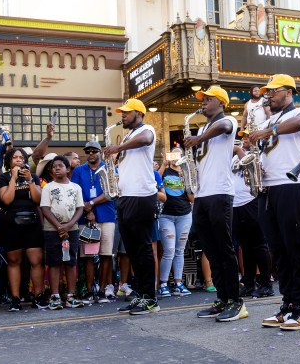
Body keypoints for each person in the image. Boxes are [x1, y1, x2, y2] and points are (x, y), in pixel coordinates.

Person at [247, 74, 300, 330]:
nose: (269, 95)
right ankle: (287, 304)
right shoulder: (271, 118)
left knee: (297, 247)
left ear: (288, 92)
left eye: (274, 91)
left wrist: (268, 130)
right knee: (280, 250)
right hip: (268, 189)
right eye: (268, 91)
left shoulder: (299, 112)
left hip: (292, 186)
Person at [184, 85, 246, 322]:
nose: (203, 102)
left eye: (208, 99)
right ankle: (222, 298)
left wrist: (199, 137)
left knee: (224, 249)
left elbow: (224, 126)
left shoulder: (227, 120)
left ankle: (236, 301)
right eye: (203, 99)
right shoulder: (203, 127)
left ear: (220, 103)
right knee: (210, 250)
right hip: (201, 194)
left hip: (220, 193)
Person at [103, 99, 159, 315]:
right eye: (122, 113)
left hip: (142, 195)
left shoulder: (146, 129)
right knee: (133, 250)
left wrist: (119, 147)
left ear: (138, 113)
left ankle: (151, 299)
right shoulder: (127, 134)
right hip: (125, 196)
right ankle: (141, 294)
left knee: (143, 248)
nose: (123, 116)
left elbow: (145, 140)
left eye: (127, 113)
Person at [0, 148, 46, 311]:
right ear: (9, 161)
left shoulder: (34, 177)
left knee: (36, 260)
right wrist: (13, 179)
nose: (18, 159)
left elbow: (38, 200)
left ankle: (38, 296)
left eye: (21, 157)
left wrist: (30, 180)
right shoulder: (3, 178)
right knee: (14, 261)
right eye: (14, 157)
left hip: (32, 222)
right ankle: (15, 298)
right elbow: (7, 200)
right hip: (11, 224)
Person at [71, 140, 116, 304]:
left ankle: (103, 290)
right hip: (85, 217)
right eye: (88, 151)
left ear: (100, 152)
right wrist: (87, 210)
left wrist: (92, 204)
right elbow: (75, 191)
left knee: (105, 255)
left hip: (106, 216)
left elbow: (112, 191)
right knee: (88, 256)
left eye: (94, 151)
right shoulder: (78, 170)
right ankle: (90, 291)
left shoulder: (109, 167)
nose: (90, 154)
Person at [40, 155, 84, 310]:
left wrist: (69, 225)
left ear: (67, 168)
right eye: (54, 166)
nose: (57, 168)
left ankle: (71, 295)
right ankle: (55, 296)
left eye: (60, 165)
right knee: (54, 262)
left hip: (71, 229)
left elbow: (80, 208)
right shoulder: (48, 187)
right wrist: (59, 226)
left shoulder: (75, 187)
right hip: (52, 229)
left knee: (71, 261)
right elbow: (45, 208)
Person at [231, 137, 273, 299]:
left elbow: (257, 171)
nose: (244, 140)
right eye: (243, 138)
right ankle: (248, 283)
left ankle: (266, 283)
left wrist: (239, 151)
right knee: (245, 246)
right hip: (236, 204)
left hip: (252, 201)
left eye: (248, 137)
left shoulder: (260, 154)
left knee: (259, 245)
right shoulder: (234, 156)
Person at [157, 148, 195, 297]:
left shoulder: (186, 173)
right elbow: (154, 181)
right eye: (173, 154)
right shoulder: (164, 171)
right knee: (169, 250)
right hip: (166, 215)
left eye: (178, 154)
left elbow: (192, 199)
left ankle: (178, 283)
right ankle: (163, 284)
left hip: (185, 215)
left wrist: (187, 183)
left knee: (180, 250)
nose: (175, 157)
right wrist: (163, 164)